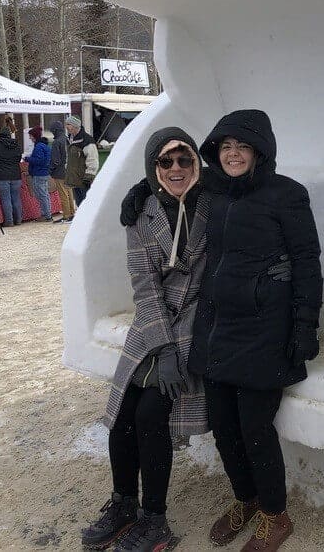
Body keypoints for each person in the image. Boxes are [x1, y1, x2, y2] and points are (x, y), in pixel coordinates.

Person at [192, 109, 322, 552]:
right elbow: (168, 180)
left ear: (259, 151)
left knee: (254, 427)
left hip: (266, 329)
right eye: (225, 147)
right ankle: (245, 500)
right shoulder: (212, 190)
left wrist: (305, 326)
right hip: (217, 326)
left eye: (241, 146)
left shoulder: (286, 195)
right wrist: (139, 192)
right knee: (223, 425)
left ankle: (275, 514)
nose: (232, 154)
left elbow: (307, 263)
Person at [81, 128, 210, 552]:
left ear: (196, 163)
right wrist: (165, 348)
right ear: (153, 168)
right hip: (154, 327)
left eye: (184, 160)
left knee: (153, 415)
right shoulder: (142, 213)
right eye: (165, 162)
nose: (176, 168)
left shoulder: (215, 204)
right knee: (122, 414)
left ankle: (155, 519)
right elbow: (145, 285)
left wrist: (181, 348)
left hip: (196, 322)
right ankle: (123, 504)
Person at [0, 125, 24, 227]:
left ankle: (9, 221)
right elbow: (18, 158)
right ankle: (19, 219)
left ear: (0, 135)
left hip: (1, 176)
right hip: (16, 175)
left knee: (6, 198)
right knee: (16, 198)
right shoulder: (16, 145)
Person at [64, 115, 99, 208]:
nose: (67, 127)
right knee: (80, 205)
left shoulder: (86, 140)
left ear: (76, 125)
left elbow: (93, 159)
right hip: (75, 179)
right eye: (66, 124)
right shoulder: (71, 139)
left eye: (69, 124)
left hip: (84, 180)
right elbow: (70, 159)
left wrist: (89, 176)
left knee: (87, 205)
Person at [49, 120, 75, 223]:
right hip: (68, 170)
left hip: (60, 172)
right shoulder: (66, 139)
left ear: (55, 130)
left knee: (63, 194)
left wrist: (50, 170)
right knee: (69, 193)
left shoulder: (56, 142)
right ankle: (72, 213)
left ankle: (66, 216)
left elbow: (55, 160)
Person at [25, 126, 52, 222]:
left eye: (31, 136)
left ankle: (46, 215)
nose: (30, 138)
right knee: (45, 194)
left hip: (39, 173)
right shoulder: (44, 146)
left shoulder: (38, 147)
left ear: (34, 136)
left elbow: (39, 161)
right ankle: (47, 213)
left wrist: (27, 159)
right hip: (44, 173)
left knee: (41, 195)